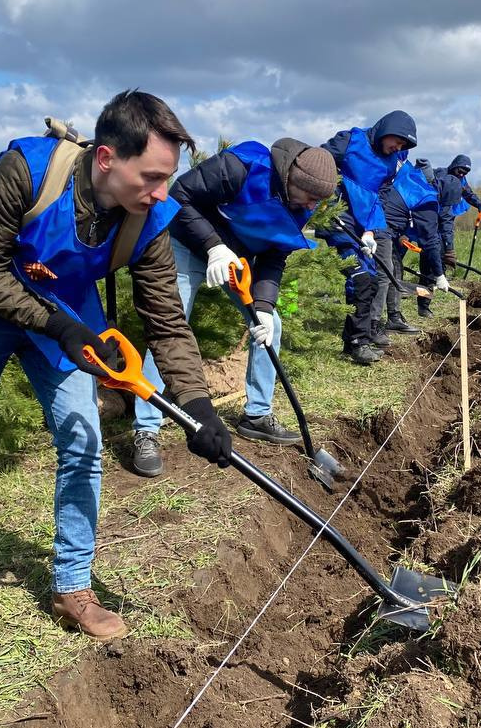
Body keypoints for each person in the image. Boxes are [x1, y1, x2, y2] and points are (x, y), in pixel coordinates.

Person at [0, 93, 233, 642]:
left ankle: (72, 586)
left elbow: (166, 320)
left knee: (83, 442)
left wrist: (197, 406)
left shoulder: (149, 218)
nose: (163, 192)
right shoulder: (30, 170)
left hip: (65, 310)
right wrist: (60, 328)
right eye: (153, 176)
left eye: (168, 178)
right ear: (108, 158)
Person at [127, 138, 338, 477]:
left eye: (318, 200)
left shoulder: (302, 205)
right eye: (310, 196)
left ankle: (256, 415)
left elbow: (275, 253)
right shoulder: (242, 168)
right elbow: (180, 195)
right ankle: (146, 429)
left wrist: (265, 306)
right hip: (183, 243)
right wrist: (213, 246)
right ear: (291, 179)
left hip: (233, 258)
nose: (312, 205)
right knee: (169, 326)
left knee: (272, 326)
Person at [319, 111, 418, 362]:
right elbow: (317, 162)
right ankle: (359, 343)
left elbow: (379, 195)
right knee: (360, 277)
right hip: (338, 217)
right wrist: (327, 201)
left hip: (362, 223)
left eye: (403, 146)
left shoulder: (389, 162)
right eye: (397, 141)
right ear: (386, 130)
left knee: (372, 279)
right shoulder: (351, 141)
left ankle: (351, 339)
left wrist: (371, 230)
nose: (398, 147)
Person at [384, 157, 448, 321]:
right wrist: (440, 275)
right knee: (391, 273)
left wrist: (402, 233)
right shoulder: (423, 194)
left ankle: (394, 316)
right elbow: (430, 239)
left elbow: (403, 210)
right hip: (384, 232)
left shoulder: (405, 179)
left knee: (393, 272)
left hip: (392, 231)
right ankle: (390, 319)